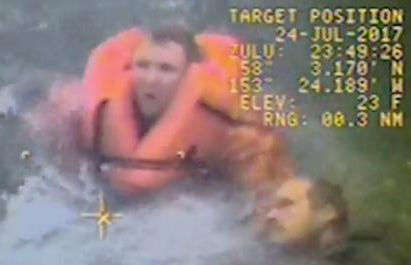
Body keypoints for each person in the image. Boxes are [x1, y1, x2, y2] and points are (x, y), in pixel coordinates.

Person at [31, 25, 348, 249]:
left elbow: (276, 212)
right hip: (111, 200)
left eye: (166, 70)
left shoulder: (236, 135)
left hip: (203, 190)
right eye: (143, 67)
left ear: (189, 77)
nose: (150, 80)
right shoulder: (81, 111)